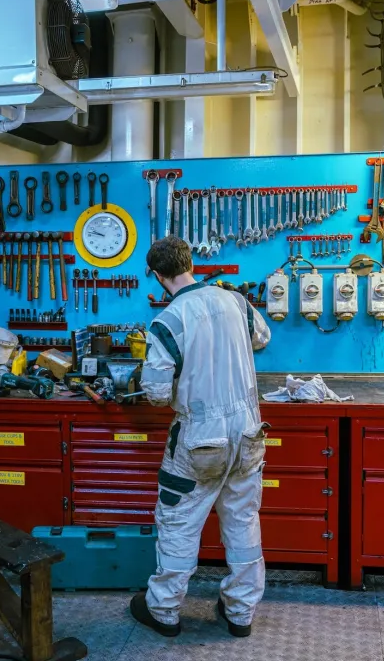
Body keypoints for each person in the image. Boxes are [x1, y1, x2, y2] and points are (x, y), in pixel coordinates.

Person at [129, 235, 272, 639]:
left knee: (178, 523)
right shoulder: (236, 301)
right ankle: (240, 612)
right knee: (242, 521)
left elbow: (156, 393)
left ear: (158, 276)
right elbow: (262, 338)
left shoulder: (168, 320)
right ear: (191, 263)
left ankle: (164, 610)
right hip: (248, 433)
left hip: (199, 440)